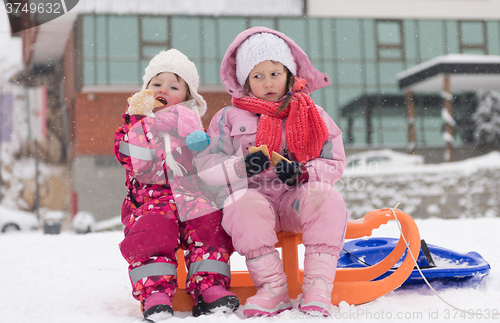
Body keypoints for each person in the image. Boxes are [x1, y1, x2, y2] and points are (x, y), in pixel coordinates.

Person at [195, 27, 349, 317]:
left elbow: (334, 160)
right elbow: (206, 165)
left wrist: (304, 174)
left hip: (295, 198)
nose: (268, 82)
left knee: (326, 197)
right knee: (241, 205)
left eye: (275, 73)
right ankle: (272, 287)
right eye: (258, 76)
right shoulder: (227, 118)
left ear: (289, 74)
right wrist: (241, 166)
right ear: (244, 81)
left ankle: (318, 286)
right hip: (255, 199)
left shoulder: (312, 112)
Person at [114, 49, 239, 322]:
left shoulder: (193, 130)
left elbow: (205, 166)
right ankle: (155, 292)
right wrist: (136, 120)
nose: (163, 90)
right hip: (149, 200)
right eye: (156, 84)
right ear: (145, 90)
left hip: (190, 196)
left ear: (187, 96)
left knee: (210, 221)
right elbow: (133, 160)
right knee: (154, 228)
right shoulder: (135, 124)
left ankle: (210, 286)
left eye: (173, 86)